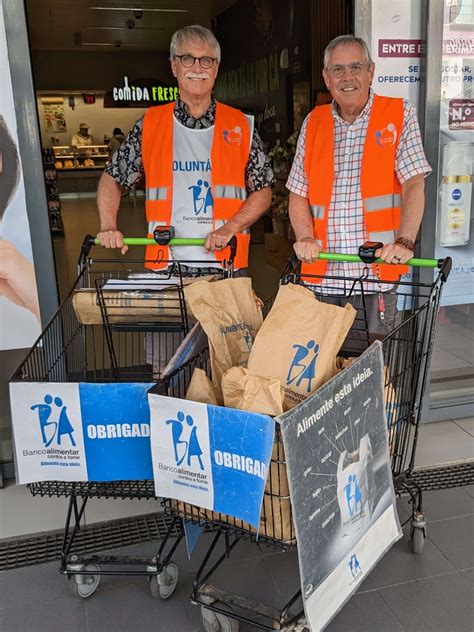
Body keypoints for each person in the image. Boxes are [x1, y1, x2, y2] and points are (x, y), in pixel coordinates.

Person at [96, 25, 274, 273]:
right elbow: (112, 178)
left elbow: (263, 190)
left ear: (216, 68)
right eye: (188, 59)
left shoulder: (240, 125)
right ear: (174, 66)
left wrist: (230, 227)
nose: (198, 68)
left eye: (207, 60)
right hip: (167, 262)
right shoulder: (150, 125)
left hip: (227, 262)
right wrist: (108, 225)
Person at [287, 35, 431, 337]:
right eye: (337, 70)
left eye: (356, 67)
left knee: (371, 368)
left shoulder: (397, 113)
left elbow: (414, 183)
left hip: (374, 275)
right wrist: (304, 237)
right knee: (320, 369)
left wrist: (405, 242)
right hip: (322, 275)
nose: (347, 77)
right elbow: (298, 192)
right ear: (327, 78)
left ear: (371, 72)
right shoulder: (313, 122)